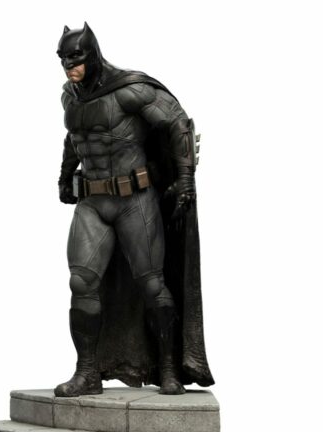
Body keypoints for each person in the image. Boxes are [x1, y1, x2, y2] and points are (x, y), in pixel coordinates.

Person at [54, 23, 214, 397]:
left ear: (92, 54)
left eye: (75, 58)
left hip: (134, 200)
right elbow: (75, 138)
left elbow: (178, 124)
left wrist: (186, 180)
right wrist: (64, 177)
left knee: (152, 284)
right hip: (92, 203)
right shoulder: (69, 97)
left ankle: (169, 368)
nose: (69, 66)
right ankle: (87, 373)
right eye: (63, 59)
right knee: (81, 282)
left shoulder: (130, 90)